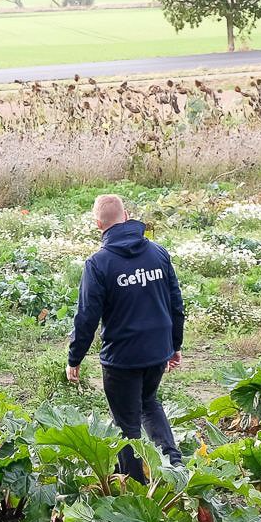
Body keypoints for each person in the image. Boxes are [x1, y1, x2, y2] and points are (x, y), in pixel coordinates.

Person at [65, 193, 185, 482]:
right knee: (149, 403)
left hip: (122, 358)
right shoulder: (158, 253)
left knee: (126, 424)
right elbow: (176, 304)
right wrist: (174, 345)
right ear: (127, 215)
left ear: (98, 225)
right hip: (157, 351)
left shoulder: (98, 263)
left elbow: (86, 317)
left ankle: (136, 485)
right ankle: (174, 465)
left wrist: (74, 358)